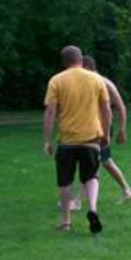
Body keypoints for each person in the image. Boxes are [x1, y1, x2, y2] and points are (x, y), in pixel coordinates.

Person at [43, 46, 111, 233]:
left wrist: (47, 141)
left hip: (67, 141)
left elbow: (50, 112)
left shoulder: (56, 80)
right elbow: (106, 109)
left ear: (64, 62)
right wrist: (106, 135)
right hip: (91, 139)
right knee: (91, 176)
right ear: (81, 59)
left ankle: (66, 222)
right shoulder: (96, 79)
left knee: (65, 182)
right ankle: (92, 209)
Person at [82, 56, 131, 201]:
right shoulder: (90, 82)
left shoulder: (104, 82)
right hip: (93, 128)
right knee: (96, 162)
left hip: (102, 129)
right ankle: (126, 190)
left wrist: (122, 129)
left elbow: (121, 106)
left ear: (86, 67)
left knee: (97, 161)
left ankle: (126, 189)